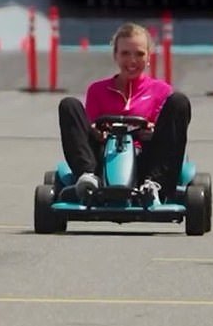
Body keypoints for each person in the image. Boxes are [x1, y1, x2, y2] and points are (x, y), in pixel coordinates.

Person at [58, 22, 191, 204]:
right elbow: (87, 130)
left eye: (139, 54)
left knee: (179, 102)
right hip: (104, 157)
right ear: (116, 55)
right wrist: (96, 130)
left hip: (145, 158)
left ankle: (155, 186)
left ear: (148, 57)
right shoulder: (97, 90)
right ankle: (87, 178)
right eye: (125, 53)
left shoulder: (161, 91)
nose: (132, 61)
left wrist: (153, 131)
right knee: (69, 104)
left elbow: (167, 135)